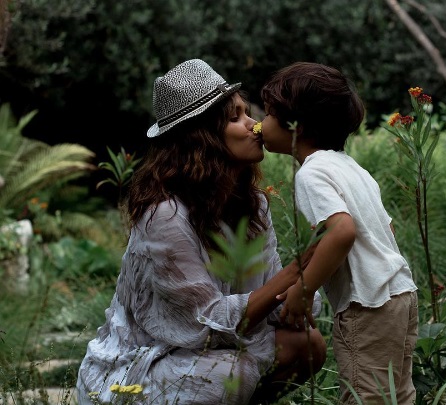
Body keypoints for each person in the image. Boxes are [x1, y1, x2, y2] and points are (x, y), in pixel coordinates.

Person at [76, 59, 327, 405]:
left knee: (308, 345)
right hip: (146, 364)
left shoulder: (252, 204)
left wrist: (303, 291)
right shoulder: (165, 214)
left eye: (248, 113)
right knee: (231, 374)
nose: (255, 126)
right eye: (236, 117)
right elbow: (204, 323)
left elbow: (270, 295)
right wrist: (295, 271)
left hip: (223, 350)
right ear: (202, 138)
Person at [258, 62, 418, 404]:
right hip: (401, 293)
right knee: (398, 394)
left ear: (295, 126)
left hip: (369, 304)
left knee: (365, 396)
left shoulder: (312, 173)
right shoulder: (352, 167)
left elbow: (342, 231)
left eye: (269, 114)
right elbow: (384, 227)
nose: (260, 123)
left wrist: (304, 289)